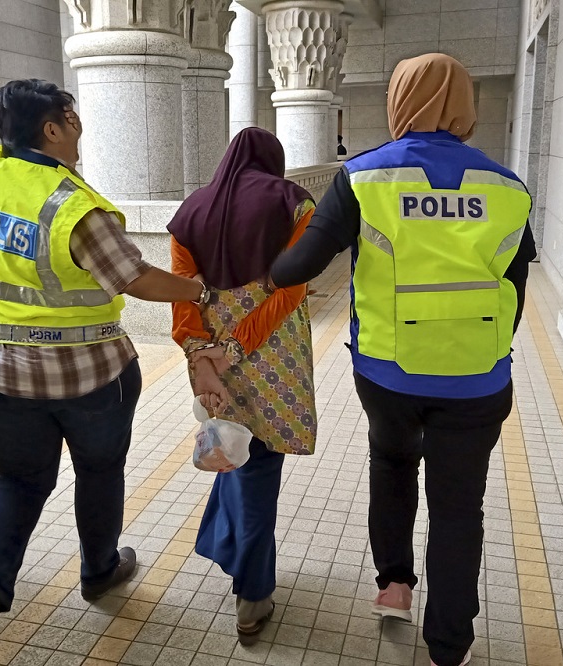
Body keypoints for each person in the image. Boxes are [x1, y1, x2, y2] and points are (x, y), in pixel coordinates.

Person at [269, 54, 537, 666]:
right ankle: (449, 644)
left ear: (399, 101)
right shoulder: (507, 187)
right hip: (477, 378)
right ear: (466, 106)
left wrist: (264, 266)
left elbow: (300, 268)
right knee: (459, 506)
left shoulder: (364, 178)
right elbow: (516, 286)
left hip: (389, 372)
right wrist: (484, 350)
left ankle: (394, 586)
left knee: (391, 465)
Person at [0, 79, 210, 666]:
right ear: (51, 128)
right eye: (71, 119)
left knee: (19, 480)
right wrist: (199, 291)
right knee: (99, 471)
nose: (78, 129)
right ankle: (99, 570)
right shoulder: (69, 203)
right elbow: (135, 277)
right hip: (87, 375)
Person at [167, 127, 318, 645]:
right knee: (259, 464)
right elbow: (293, 285)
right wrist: (239, 345)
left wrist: (201, 354)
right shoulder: (294, 203)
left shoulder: (191, 211)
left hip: (209, 352)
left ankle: (228, 549)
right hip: (272, 352)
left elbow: (183, 294)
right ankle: (253, 593)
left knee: (233, 451)